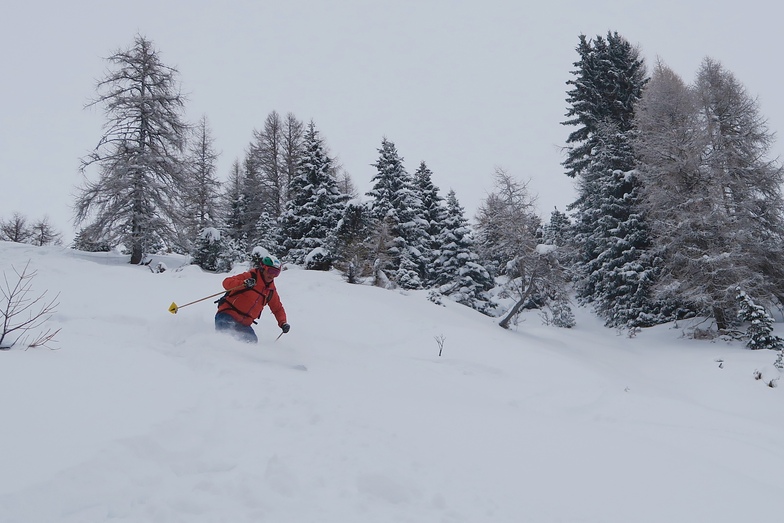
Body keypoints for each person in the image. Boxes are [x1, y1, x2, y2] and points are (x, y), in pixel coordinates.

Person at [214, 253, 290, 343]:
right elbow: (226, 282)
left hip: (244, 324)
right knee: (227, 336)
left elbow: (277, 308)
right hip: (227, 315)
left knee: (252, 342)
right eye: (270, 271)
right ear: (263, 268)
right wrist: (243, 284)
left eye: (276, 273)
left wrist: (283, 323)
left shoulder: (270, 291)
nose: (272, 275)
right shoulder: (250, 277)